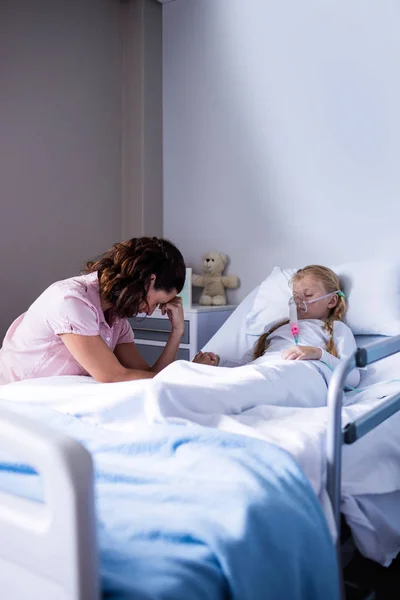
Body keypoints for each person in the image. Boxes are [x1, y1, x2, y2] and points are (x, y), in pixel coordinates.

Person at [0, 237, 203, 385]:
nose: (150, 312)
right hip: (14, 399)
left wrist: (177, 332)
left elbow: (149, 376)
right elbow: (112, 375)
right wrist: (190, 377)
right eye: (156, 302)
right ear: (149, 280)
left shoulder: (116, 318)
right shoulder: (70, 300)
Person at [194, 265, 360, 389]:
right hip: (261, 370)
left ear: (331, 301)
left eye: (308, 295)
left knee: (243, 387)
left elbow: (352, 377)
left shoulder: (336, 329)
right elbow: (244, 366)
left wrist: (317, 353)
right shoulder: (275, 327)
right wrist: (217, 364)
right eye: (295, 296)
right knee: (185, 372)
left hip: (297, 372)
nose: (299, 301)